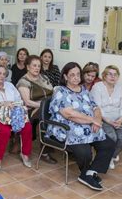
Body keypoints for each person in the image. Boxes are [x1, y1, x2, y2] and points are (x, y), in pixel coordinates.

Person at [47, 62, 115, 191]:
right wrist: (92, 120)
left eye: (78, 74)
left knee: (109, 144)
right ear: (65, 77)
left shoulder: (84, 90)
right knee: (85, 153)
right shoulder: (60, 91)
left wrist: (98, 120)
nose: (76, 77)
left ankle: (89, 173)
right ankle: (86, 173)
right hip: (68, 127)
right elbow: (69, 114)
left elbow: (95, 107)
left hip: (89, 127)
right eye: (72, 75)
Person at [0, 64, 33, 172]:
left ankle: (25, 154)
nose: (2, 76)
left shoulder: (10, 86)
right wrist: (3, 104)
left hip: (11, 114)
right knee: (5, 130)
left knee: (27, 126)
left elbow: (19, 99)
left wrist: (14, 104)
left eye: (4, 74)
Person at [17, 55, 57, 164]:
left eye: (39, 66)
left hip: (47, 107)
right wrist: (43, 105)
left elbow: (52, 92)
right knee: (47, 119)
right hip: (30, 110)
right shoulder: (23, 82)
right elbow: (27, 102)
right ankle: (45, 152)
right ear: (28, 67)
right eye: (34, 65)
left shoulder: (44, 78)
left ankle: (66, 147)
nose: (37, 68)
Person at [90, 65, 122, 170]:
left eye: (115, 74)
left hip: (118, 119)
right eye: (110, 74)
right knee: (112, 137)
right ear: (104, 76)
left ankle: (111, 156)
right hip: (102, 118)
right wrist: (108, 120)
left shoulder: (120, 89)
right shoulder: (97, 87)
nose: (113, 77)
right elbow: (97, 107)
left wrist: (121, 119)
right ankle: (107, 158)